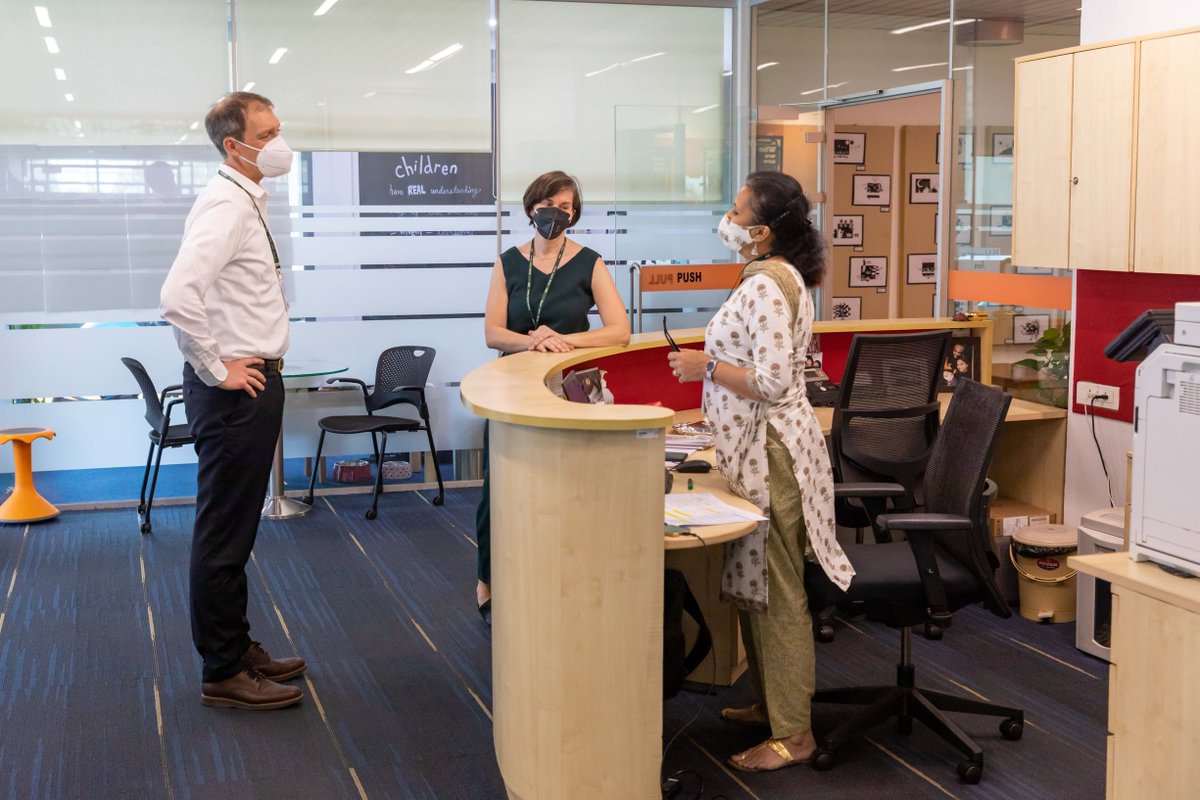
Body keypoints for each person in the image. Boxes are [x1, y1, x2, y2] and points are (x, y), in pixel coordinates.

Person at [667, 171, 854, 771]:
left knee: (776, 593)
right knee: (755, 583)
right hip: (754, 448)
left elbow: (771, 382)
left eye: (739, 208)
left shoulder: (770, 287)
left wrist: (706, 366)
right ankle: (775, 705)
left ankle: (795, 734)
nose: (728, 213)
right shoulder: (766, 277)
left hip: (772, 451)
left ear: (761, 231)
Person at [160, 91, 306, 710]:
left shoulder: (244, 199)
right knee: (223, 532)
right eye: (267, 133)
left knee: (236, 529)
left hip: (250, 383)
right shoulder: (226, 204)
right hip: (235, 393)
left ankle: (237, 647)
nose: (280, 143)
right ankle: (222, 669)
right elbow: (176, 296)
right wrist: (217, 369)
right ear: (234, 146)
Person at [474, 171, 630, 624]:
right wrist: (533, 341)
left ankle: (562, 575)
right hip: (512, 388)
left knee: (567, 485)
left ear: (574, 213)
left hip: (570, 388)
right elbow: (492, 333)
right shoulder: (508, 262)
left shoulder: (589, 262)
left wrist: (562, 339)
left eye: (566, 207)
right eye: (549, 204)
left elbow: (618, 332)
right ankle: (488, 579)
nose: (556, 214)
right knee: (498, 486)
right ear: (530, 209)